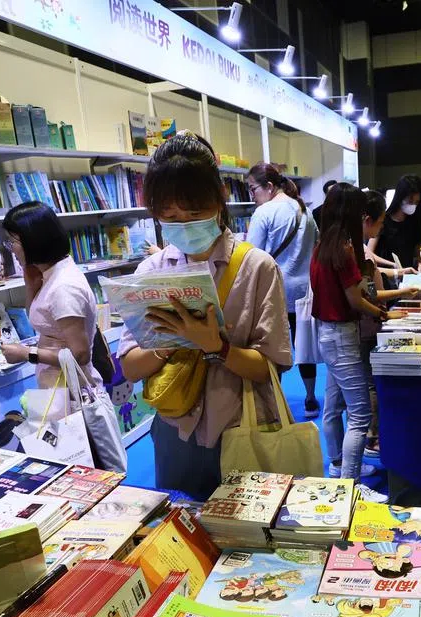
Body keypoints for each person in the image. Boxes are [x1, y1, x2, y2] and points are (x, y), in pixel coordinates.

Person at [117, 132, 291, 500]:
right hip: (173, 427)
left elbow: (269, 368)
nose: (183, 224)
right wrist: (171, 344)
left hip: (240, 426)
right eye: (169, 216)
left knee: (245, 540)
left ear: (220, 199)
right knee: (181, 538)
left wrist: (217, 346)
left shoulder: (257, 268)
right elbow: (131, 367)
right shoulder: (150, 271)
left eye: (194, 214)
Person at [0, 201, 126, 472]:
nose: (11, 250)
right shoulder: (48, 275)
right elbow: (39, 319)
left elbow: (80, 354)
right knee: (59, 470)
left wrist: (26, 354)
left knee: (82, 471)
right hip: (55, 392)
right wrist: (29, 281)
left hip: (72, 396)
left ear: (34, 239)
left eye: (13, 242)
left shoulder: (64, 286)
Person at [310, 183, 390, 500]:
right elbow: (355, 299)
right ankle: (350, 487)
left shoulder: (322, 246)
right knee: (359, 415)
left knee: (333, 407)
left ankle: (340, 471)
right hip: (342, 334)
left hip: (328, 334)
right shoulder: (343, 249)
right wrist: (381, 313)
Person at [246, 162, 320, 416]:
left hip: (274, 291)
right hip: (306, 291)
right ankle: (311, 397)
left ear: (268, 186)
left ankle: (275, 401)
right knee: (305, 346)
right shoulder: (304, 209)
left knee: (273, 347)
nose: (252, 196)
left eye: (252, 189)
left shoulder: (265, 212)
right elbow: (316, 244)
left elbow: (252, 254)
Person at [359, 189, 419, 458]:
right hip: (367, 326)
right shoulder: (350, 249)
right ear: (366, 218)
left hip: (367, 325)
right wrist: (399, 295)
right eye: (380, 221)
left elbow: (373, 269)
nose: (383, 226)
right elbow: (368, 293)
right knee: (370, 385)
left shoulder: (352, 246)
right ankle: (372, 439)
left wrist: (398, 274)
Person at [374, 174, 421, 272]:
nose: (413, 205)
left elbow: (416, 251)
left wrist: (420, 264)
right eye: (410, 201)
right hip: (387, 276)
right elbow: (369, 253)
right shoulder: (383, 220)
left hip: (408, 276)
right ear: (400, 197)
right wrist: (393, 266)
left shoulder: (414, 221)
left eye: (416, 202)